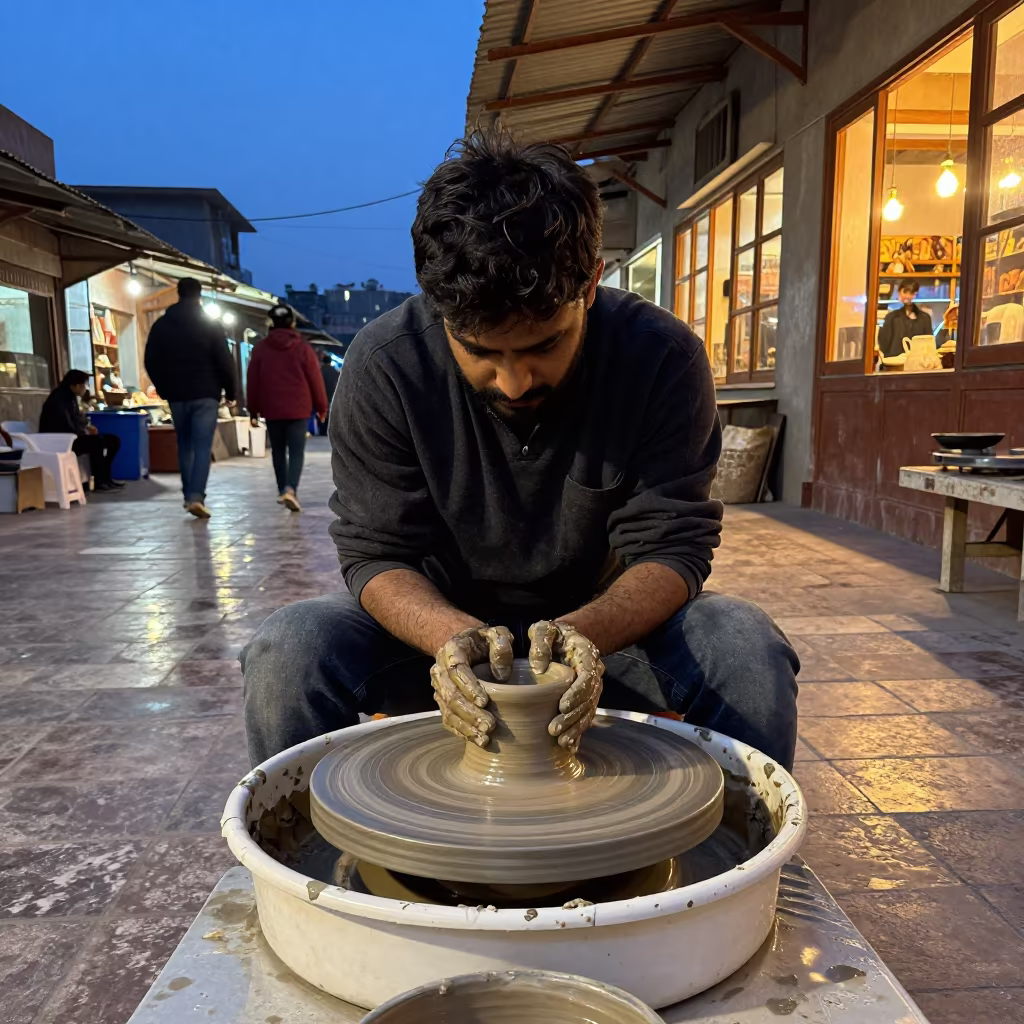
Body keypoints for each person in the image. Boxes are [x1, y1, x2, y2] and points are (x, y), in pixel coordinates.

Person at [241, 129, 799, 772]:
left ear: (590, 283)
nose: (514, 382)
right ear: (438, 304)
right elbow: (376, 553)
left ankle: (740, 868)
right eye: (480, 352)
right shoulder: (386, 363)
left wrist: (577, 639)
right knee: (289, 649)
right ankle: (299, 866)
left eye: (543, 346)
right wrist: (454, 641)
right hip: (438, 634)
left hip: (607, 634)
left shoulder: (660, 357)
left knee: (744, 647)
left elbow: (673, 546)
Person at [144, 278, 237, 519]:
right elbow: (224, 361)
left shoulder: (162, 325)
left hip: (177, 394)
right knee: (202, 446)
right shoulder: (211, 325)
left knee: (184, 445)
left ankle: (188, 496)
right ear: (199, 295)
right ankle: (196, 495)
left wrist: (163, 388)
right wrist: (232, 392)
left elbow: (150, 360)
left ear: (178, 294)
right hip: (206, 394)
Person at [246, 304, 328, 512]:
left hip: (272, 408)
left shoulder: (260, 349)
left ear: (271, 323)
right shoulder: (303, 349)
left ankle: (283, 488)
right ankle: (291, 488)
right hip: (298, 408)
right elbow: (315, 380)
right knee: (297, 451)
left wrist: (253, 410)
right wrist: (322, 406)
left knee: (278, 451)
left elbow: (253, 382)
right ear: (292, 323)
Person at [39, 369, 123, 491]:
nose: (86, 388)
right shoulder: (58, 400)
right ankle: (99, 482)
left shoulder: (71, 397)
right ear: (76, 385)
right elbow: (65, 425)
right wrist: (85, 432)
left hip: (71, 437)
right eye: (85, 384)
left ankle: (106, 478)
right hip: (59, 441)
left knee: (113, 441)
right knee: (97, 442)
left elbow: (76, 420)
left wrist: (86, 427)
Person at [877, 279, 934, 358]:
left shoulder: (925, 318)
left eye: (911, 293)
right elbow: (883, 342)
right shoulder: (891, 317)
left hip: (918, 362)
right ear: (899, 292)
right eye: (905, 292)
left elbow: (929, 343)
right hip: (894, 362)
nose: (908, 296)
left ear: (916, 294)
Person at [317, 352, 340, 436]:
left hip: (322, 395)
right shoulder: (335, 372)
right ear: (330, 362)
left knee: (321, 413)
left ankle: (321, 431)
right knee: (330, 414)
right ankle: (328, 430)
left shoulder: (320, 371)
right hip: (332, 395)